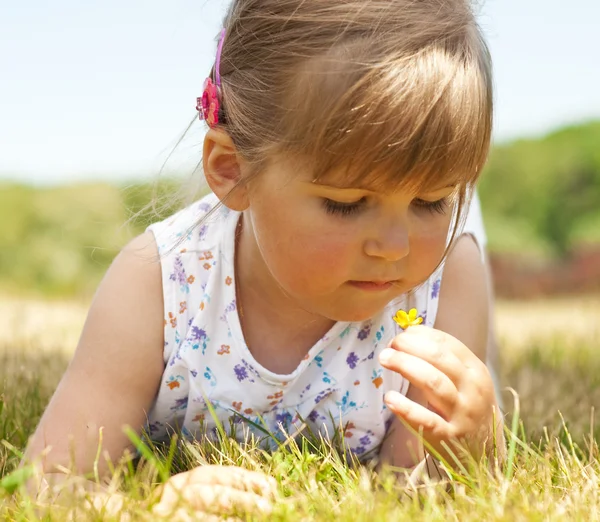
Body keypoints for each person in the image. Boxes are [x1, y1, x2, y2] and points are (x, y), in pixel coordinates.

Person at [25, 0, 504, 513]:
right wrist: (146, 508)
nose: (395, 247)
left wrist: (473, 440)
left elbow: (408, 495)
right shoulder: (158, 283)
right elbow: (50, 485)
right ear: (231, 170)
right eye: (346, 205)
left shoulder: (445, 282)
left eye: (431, 201)